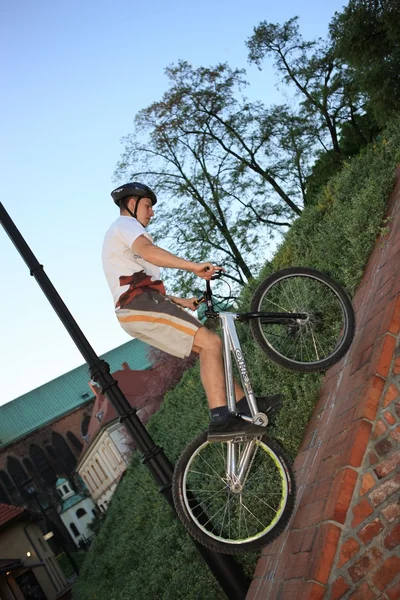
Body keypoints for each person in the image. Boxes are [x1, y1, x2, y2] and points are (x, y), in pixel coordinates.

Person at [102, 182, 281, 441]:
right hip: (138, 306)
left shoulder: (120, 235)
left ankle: (244, 406)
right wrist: (193, 266)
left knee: (207, 349)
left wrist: (180, 301)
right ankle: (222, 419)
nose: (152, 213)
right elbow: (149, 252)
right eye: (148, 206)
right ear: (131, 204)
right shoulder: (125, 226)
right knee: (211, 343)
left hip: (141, 305)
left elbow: (135, 280)